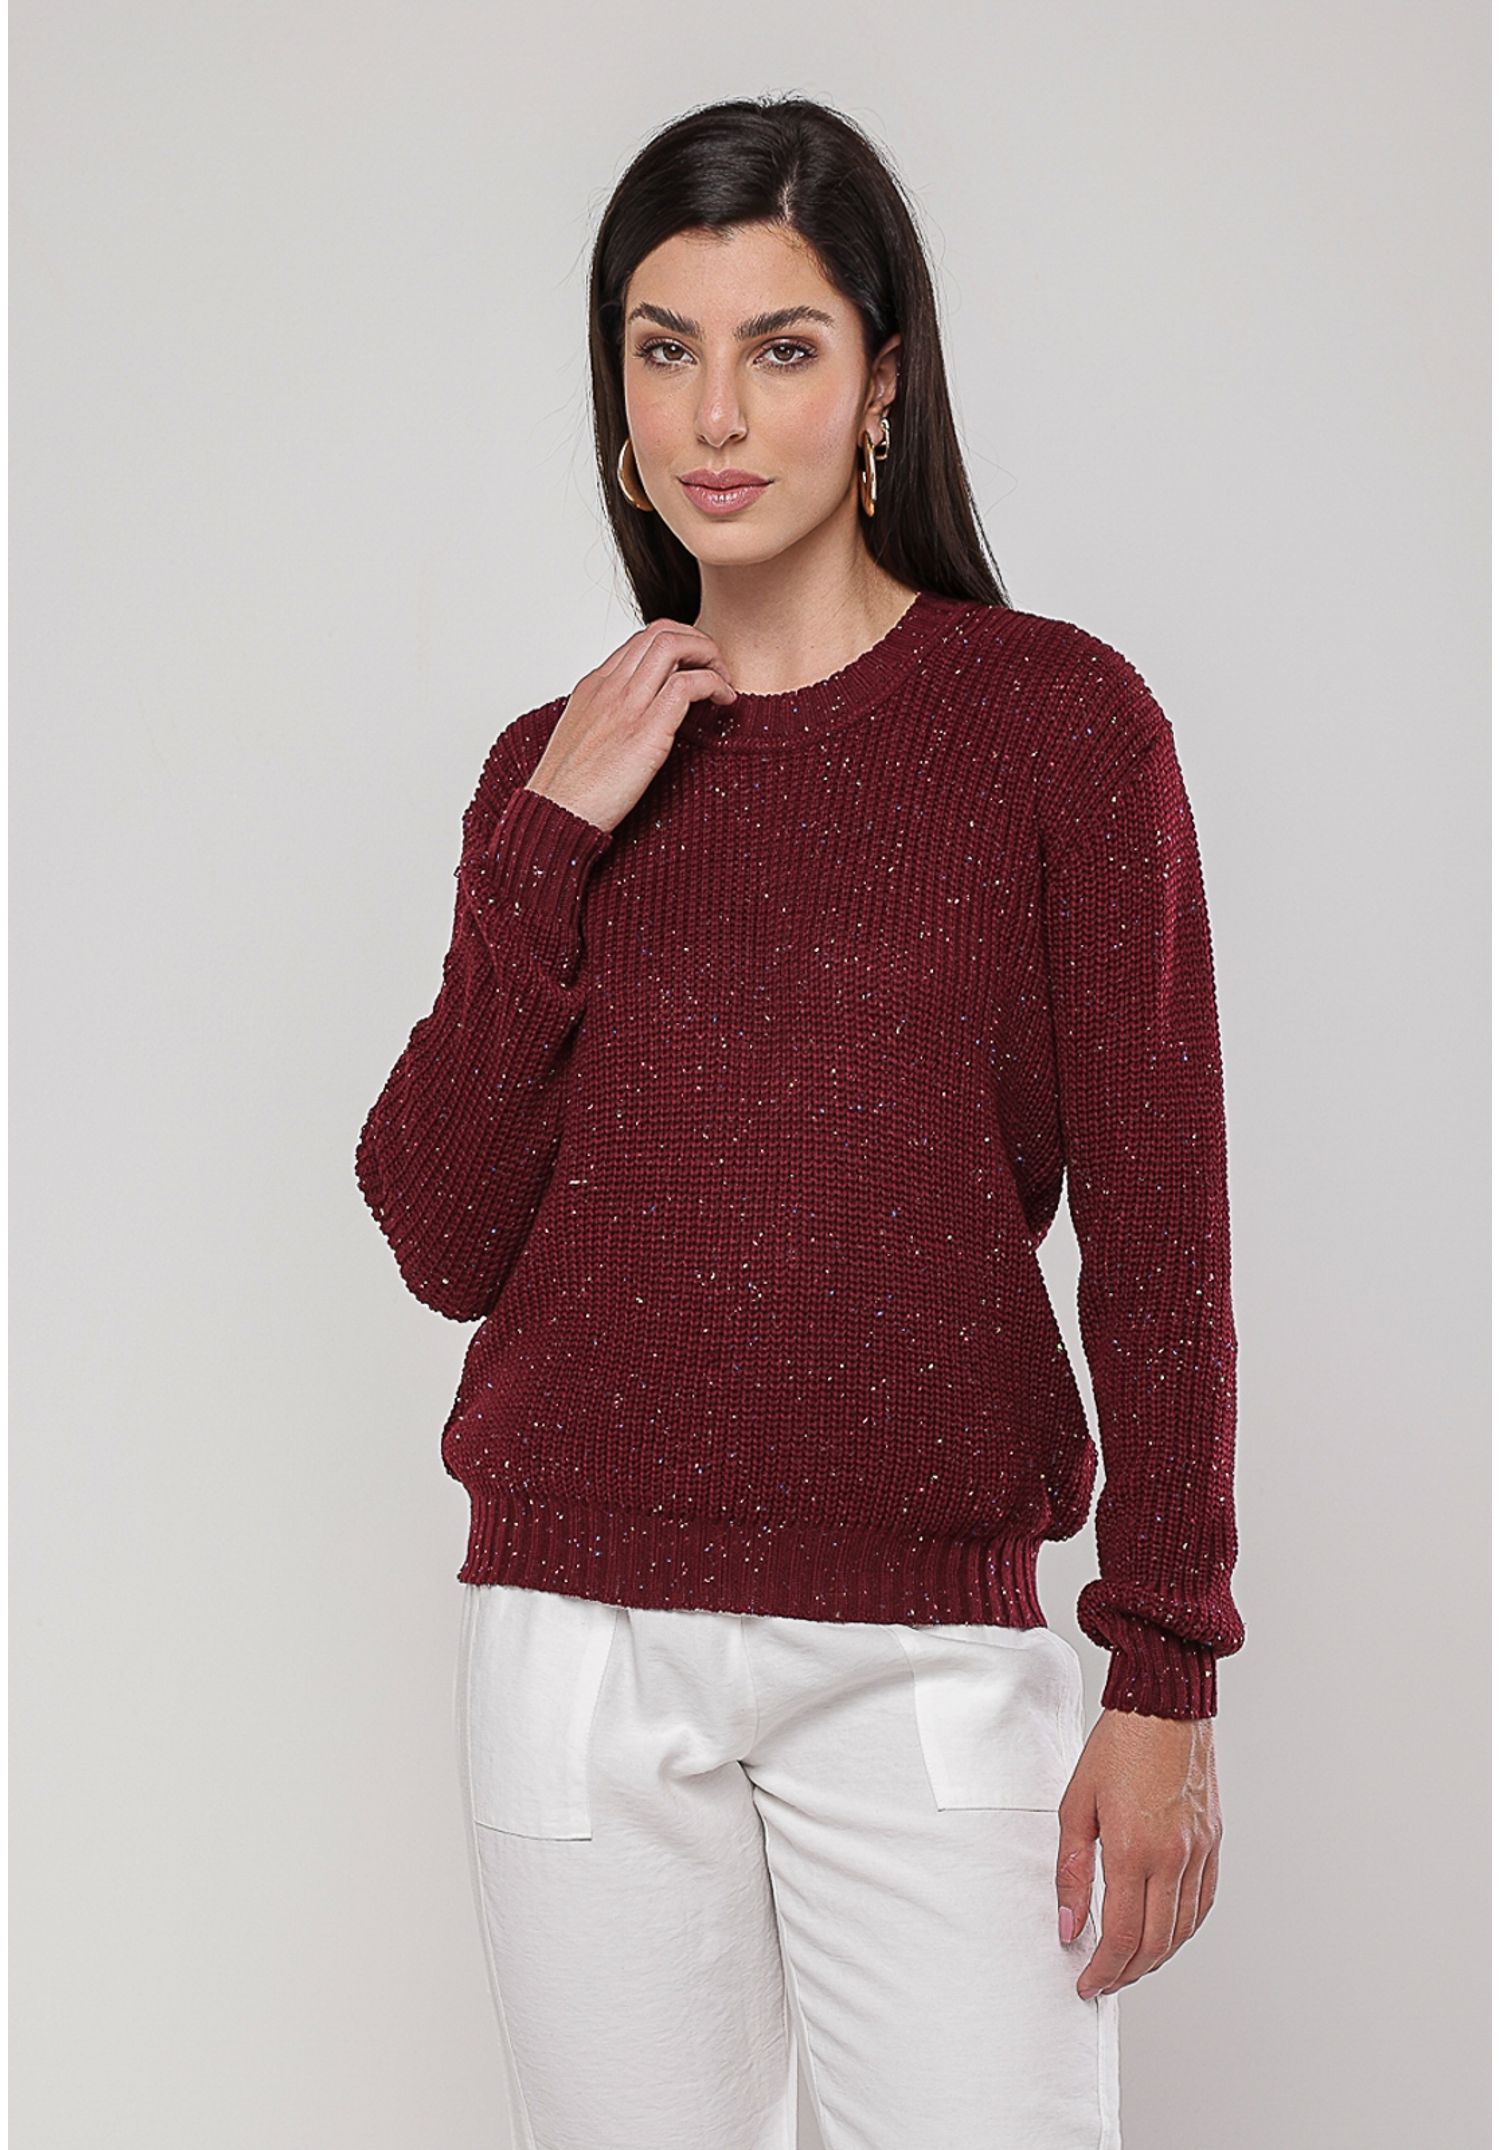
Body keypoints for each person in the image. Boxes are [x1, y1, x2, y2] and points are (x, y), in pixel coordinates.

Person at [354, 92, 1244, 2150]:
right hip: (580, 1645)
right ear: (614, 392)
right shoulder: (550, 766)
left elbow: (1162, 1228)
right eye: (664, 348)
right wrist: (546, 844)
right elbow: (439, 1231)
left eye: (780, 346)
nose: (717, 414)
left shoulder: (1057, 729)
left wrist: (1164, 1667)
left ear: (882, 383)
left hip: (929, 1653)